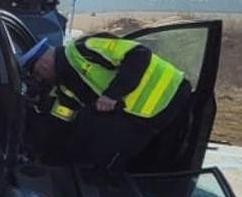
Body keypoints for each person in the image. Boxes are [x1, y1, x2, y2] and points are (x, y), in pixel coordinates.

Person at [22, 34, 189, 171]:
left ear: (43, 65)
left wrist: (112, 94)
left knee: (154, 153)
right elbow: (60, 120)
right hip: (138, 113)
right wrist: (41, 153)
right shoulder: (64, 88)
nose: (38, 79)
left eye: (37, 73)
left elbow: (139, 53)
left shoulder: (85, 48)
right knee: (114, 154)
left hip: (169, 92)